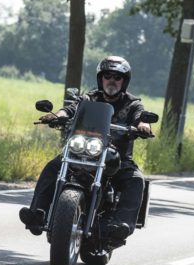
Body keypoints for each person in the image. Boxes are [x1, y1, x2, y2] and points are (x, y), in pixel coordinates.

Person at [19, 56, 151, 242]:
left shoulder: (132, 103)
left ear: (124, 81)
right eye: (108, 76)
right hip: (82, 152)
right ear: (101, 78)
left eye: (117, 77)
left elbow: (140, 116)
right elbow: (72, 109)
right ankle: (38, 213)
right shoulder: (90, 98)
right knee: (52, 167)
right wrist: (58, 115)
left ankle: (120, 225)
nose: (112, 80)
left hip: (116, 158)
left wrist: (143, 125)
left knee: (136, 180)